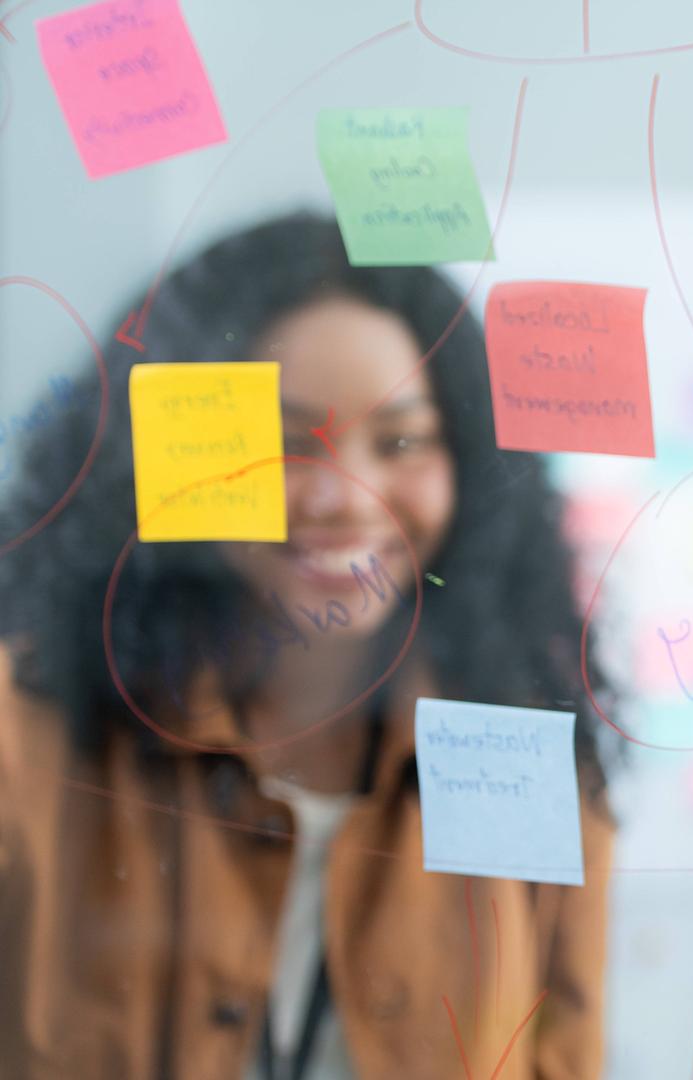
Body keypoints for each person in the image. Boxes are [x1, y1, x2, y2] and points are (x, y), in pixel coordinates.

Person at [0, 212, 615, 1078]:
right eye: (286, 443)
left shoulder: (526, 761)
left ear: (470, 468)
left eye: (400, 440)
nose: (341, 498)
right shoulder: (24, 735)